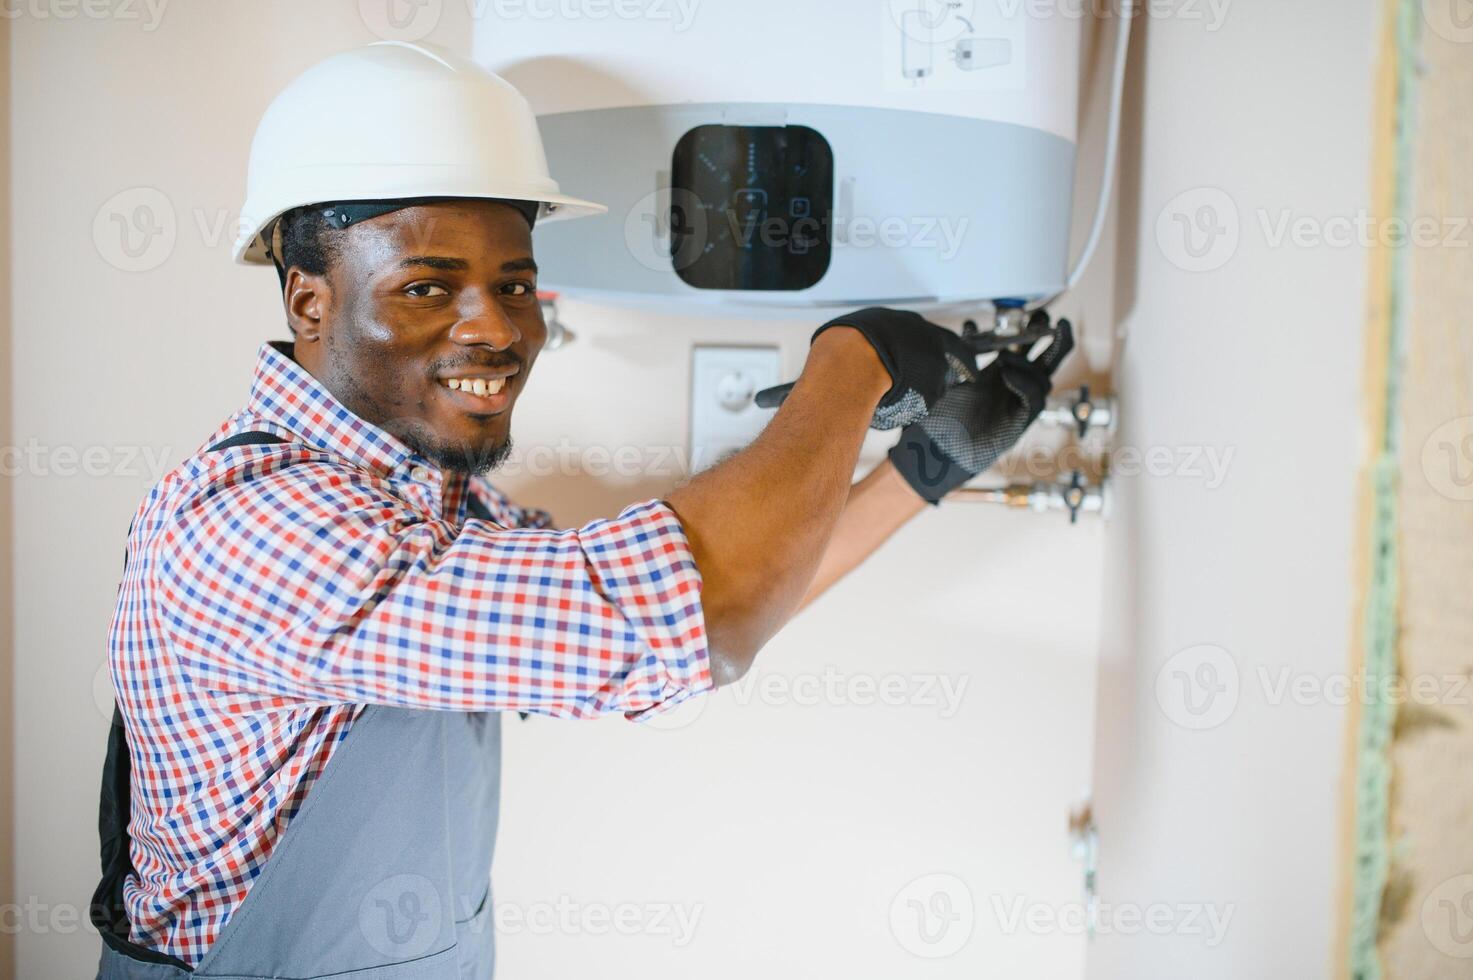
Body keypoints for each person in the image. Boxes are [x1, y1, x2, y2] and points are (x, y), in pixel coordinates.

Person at [90, 41, 1071, 980]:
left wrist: (921, 470)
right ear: (308, 302)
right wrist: (855, 355)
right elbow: (694, 612)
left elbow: (697, 629)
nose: (496, 328)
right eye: (429, 286)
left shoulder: (428, 507)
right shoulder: (256, 530)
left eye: (514, 284)